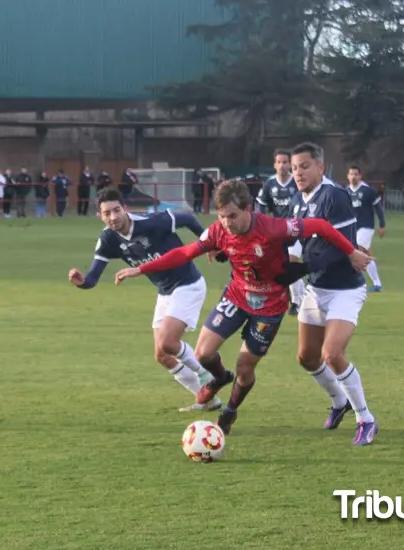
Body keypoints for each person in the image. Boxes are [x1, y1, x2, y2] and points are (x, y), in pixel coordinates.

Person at [114, 179, 371, 436]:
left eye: (233, 216)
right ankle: (221, 378)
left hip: (269, 308)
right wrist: (141, 268)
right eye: (222, 216)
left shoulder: (274, 228)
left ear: (248, 209)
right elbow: (184, 253)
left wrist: (351, 252)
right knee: (203, 354)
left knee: (245, 367)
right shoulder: (219, 231)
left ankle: (230, 411)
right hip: (237, 297)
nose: (227, 222)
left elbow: (321, 226)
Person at [69, 188, 217, 412]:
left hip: (188, 284)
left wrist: (208, 243)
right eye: (107, 213)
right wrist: (80, 282)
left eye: (116, 210)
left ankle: (207, 376)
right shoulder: (108, 239)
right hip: (165, 291)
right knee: (162, 355)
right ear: (100, 216)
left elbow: (187, 218)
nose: (113, 217)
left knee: (169, 342)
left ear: (125, 209)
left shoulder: (151, 222)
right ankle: (208, 400)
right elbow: (91, 280)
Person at [290, 143, 379, 446]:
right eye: (294, 168)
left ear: (320, 167)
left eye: (304, 166)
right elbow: (296, 247)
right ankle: (338, 401)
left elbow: (342, 248)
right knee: (306, 357)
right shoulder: (298, 201)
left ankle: (365, 419)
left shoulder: (334, 196)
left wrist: (300, 269)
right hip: (316, 290)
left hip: (345, 290)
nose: (298, 173)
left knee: (332, 354)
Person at [255, 149, 303, 314]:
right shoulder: (269, 184)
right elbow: (261, 204)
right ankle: (296, 297)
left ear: (290, 164)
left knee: (290, 261)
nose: (282, 166)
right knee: (282, 266)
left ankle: (296, 302)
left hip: (296, 231)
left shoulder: (297, 183)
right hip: (277, 233)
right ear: (275, 165)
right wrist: (262, 223)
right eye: (279, 162)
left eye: (285, 162)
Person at [346, 165, 385, 291]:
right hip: (353, 228)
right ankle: (377, 284)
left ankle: (352, 282)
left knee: (356, 251)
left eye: (356, 174)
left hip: (366, 227)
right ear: (348, 176)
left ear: (360, 176)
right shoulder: (345, 192)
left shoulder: (367, 191)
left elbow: (378, 208)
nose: (353, 177)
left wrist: (382, 225)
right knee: (366, 255)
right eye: (351, 174)